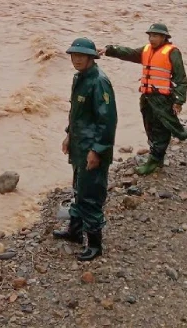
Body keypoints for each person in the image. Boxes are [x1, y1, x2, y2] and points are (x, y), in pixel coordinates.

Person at [54, 38, 117, 261]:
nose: (77, 59)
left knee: (91, 194)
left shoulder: (99, 82)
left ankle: (95, 244)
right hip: (79, 145)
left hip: (92, 149)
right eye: (74, 55)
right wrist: (69, 135)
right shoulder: (79, 78)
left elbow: (107, 121)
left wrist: (97, 150)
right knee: (78, 188)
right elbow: (77, 113)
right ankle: (75, 231)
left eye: (82, 55)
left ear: (92, 57)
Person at [102, 23, 187, 176]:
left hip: (163, 98)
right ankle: (157, 156)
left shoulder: (172, 52)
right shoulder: (146, 50)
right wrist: (110, 50)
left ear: (164, 37)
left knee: (160, 129)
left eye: (155, 35)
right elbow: (129, 53)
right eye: (150, 35)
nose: (151, 38)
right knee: (149, 126)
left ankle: (154, 160)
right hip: (147, 97)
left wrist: (179, 101)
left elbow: (181, 79)